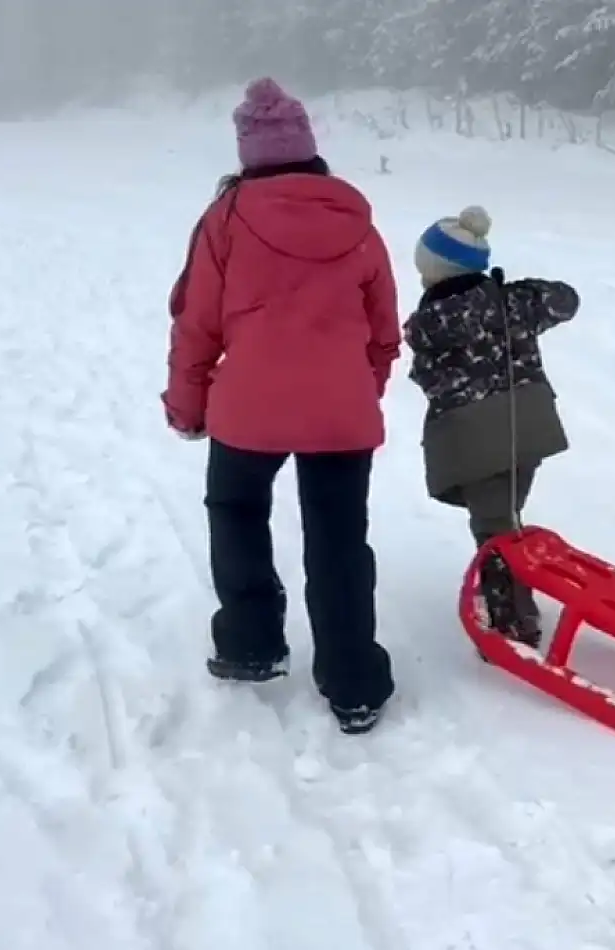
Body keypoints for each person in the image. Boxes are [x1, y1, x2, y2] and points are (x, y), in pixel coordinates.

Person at [162, 77, 400, 735]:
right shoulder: (355, 220)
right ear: (308, 148)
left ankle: (250, 644)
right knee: (339, 541)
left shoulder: (225, 221)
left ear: (248, 153)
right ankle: (354, 684)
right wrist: (356, 389)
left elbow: (196, 326)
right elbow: (384, 329)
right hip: (341, 413)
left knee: (236, 511)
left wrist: (187, 406)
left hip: (249, 410)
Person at [403, 206, 580, 647]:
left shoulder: (427, 324)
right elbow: (567, 299)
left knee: (494, 527)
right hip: (528, 428)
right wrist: (516, 293)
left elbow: (424, 372)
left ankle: (513, 621)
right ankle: (513, 601)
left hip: (473, 437)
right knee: (505, 514)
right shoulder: (513, 302)